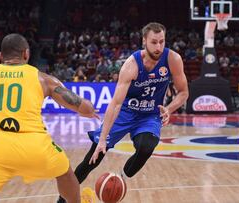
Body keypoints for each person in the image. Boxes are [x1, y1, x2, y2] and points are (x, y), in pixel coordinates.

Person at [57, 22, 189, 203]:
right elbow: (116, 104)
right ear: (144, 41)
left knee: (146, 147)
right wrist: (102, 139)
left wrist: (169, 108)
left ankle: (121, 177)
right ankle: (61, 200)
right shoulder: (131, 65)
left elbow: (184, 92)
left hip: (149, 115)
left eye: (161, 42)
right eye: (154, 42)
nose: (158, 47)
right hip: (124, 113)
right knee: (93, 158)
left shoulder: (173, 60)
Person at [0, 34, 99, 203]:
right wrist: (89, 111)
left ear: (1, 56)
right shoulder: (42, 78)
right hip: (34, 147)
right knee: (65, 173)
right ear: (26, 54)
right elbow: (84, 107)